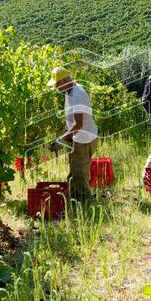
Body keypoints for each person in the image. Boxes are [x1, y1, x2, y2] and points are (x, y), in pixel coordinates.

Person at [49, 66, 99, 202]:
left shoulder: (77, 95)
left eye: (57, 85)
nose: (56, 88)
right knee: (75, 171)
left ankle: (85, 202)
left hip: (84, 139)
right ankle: (74, 197)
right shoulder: (69, 91)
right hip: (79, 137)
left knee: (80, 174)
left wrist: (62, 140)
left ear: (64, 80)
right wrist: (67, 134)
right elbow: (71, 119)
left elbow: (78, 124)